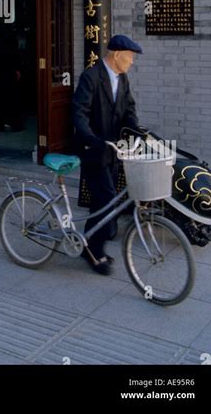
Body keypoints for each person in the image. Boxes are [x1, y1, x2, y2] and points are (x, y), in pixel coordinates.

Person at [72, 34, 142, 274]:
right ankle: (96, 253)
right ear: (116, 55)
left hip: (113, 151)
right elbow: (79, 112)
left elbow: (128, 109)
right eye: (130, 57)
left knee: (101, 203)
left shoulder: (122, 79)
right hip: (93, 150)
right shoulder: (91, 77)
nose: (131, 62)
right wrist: (90, 138)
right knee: (107, 200)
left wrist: (136, 130)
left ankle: (88, 246)